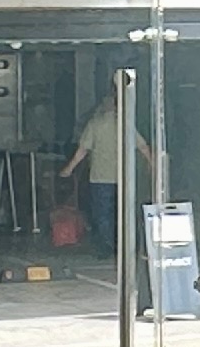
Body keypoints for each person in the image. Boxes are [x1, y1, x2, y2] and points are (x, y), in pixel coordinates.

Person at [63, 91, 150, 265]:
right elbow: (143, 147)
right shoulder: (126, 124)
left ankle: (106, 247)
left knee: (102, 214)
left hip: (100, 177)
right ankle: (128, 247)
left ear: (103, 106)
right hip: (124, 177)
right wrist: (153, 164)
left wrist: (69, 168)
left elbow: (83, 150)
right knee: (126, 213)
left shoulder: (95, 124)